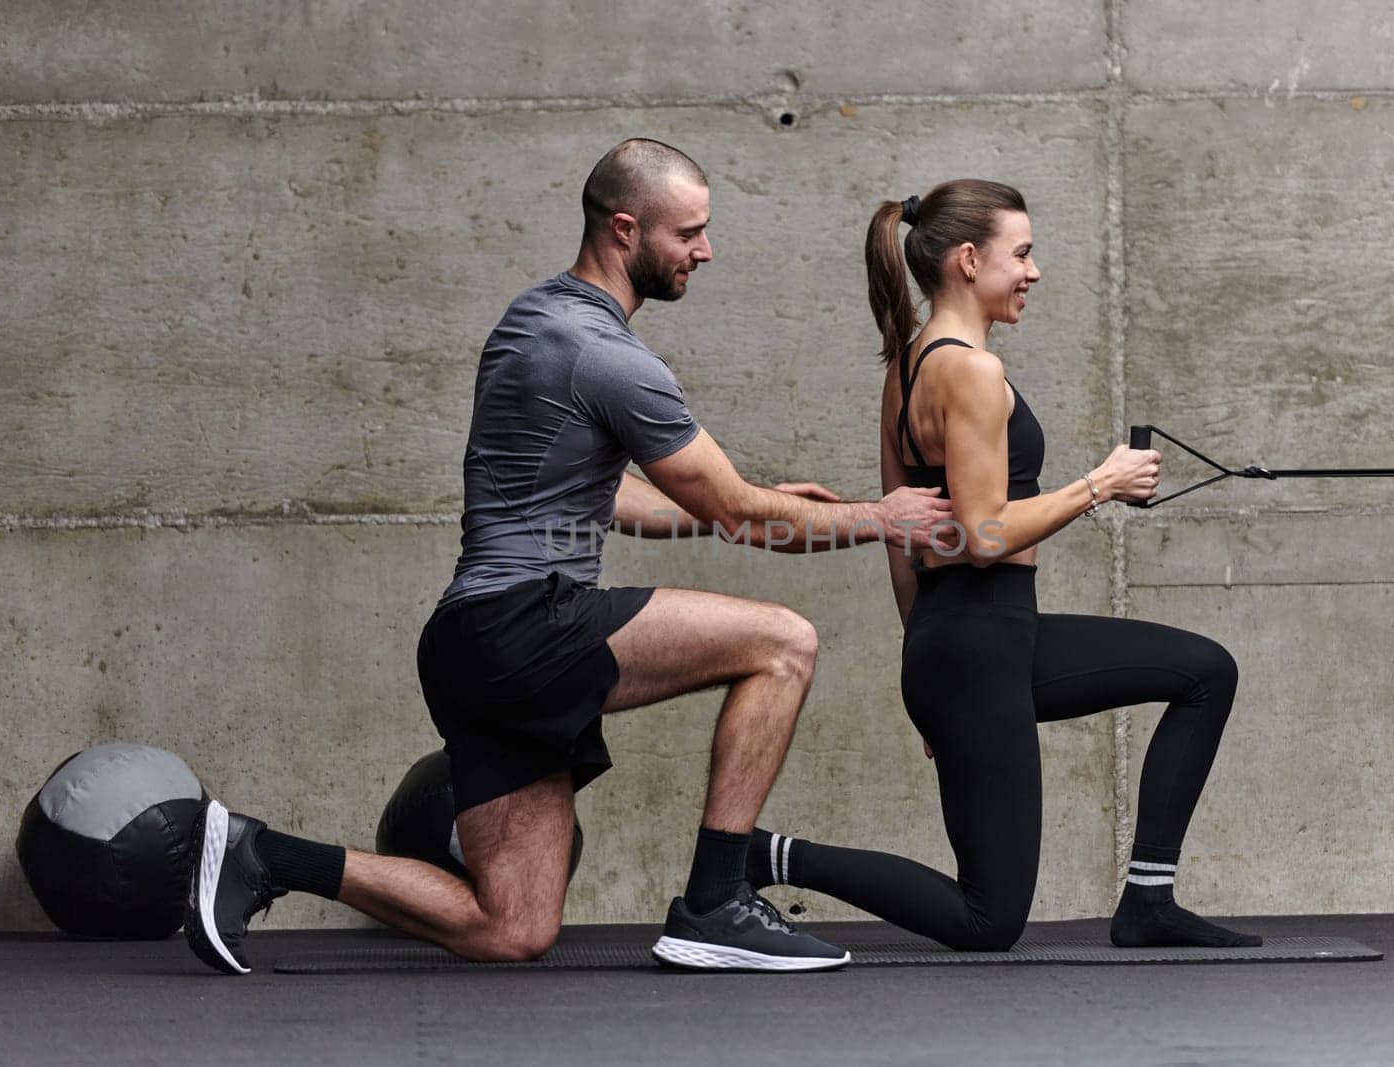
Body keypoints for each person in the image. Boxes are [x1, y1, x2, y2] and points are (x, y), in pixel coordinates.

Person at [182, 139, 955, 976]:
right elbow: (737, 514)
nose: (706, 250)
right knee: (784, 643)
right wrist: (881, 517)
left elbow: (611, 498)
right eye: (688, 233)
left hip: (471, 644)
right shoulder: (608, 356)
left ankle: (263, 854)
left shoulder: (532, 320)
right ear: (625, 230)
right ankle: (717, 903)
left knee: (509, 926)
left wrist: (740, 500)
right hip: (526, 623)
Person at [747, 179, 1261, 950]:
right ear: (966, 260)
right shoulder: (973, 373)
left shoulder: (906, 367)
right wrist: (1100, 484)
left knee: (1204, 670)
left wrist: (924, 663)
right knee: (989, 918)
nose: (1034, 270)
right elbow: (986, 535)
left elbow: (901, 533)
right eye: (1020, 253)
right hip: (979, 644)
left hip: (970, 643)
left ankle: (1149, 900)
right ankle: (761, 853)